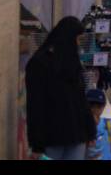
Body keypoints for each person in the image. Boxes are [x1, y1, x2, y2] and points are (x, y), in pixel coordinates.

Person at [25, 16, 95, 160]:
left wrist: (90, 131)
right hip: (51, 138)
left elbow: (81, 99)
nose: (78, 45)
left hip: (76, 135)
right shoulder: (39, 64)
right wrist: (36, 144)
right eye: (77, 40)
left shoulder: (72, 62)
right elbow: (35, 106)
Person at [85, 88, 111, 160]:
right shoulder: (82, 125)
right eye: (91, 106)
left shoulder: (107, 122)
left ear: (103, 107)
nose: (94, 109)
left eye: (98, 107)